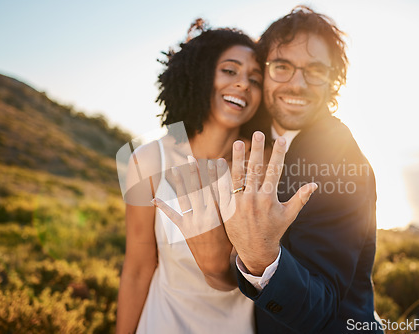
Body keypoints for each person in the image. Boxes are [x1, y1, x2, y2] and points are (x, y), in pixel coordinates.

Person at [221, 6, 384, 333]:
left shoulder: (342, 160)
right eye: (282, 66)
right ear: (263, 70)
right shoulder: (251, 132)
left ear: (332, 80)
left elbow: (321, 308)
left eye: (315, 70)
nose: (297, 84)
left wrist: (260, 258)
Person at [115, 20, 263, 333]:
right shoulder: (148, 161)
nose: (243, 84)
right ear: (201, 74)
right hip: (161, 322)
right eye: (230, 70)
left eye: (255, 78)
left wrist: (216, 268)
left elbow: (259, 275)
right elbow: (138, 269)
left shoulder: (262, 166)